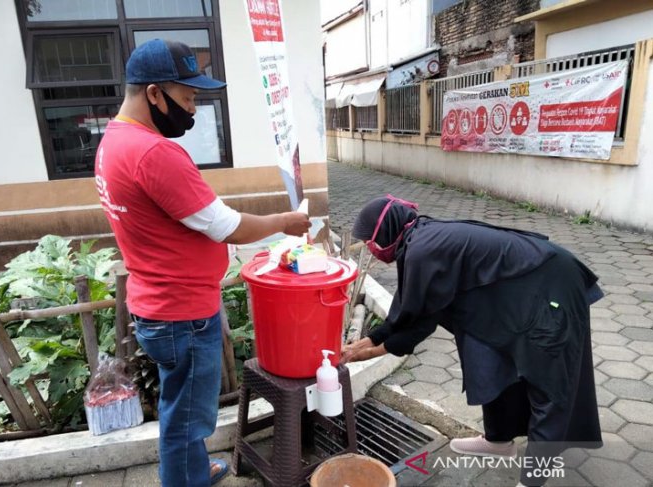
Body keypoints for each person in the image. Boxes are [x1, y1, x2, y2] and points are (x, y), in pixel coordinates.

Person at [94, 39, 310, 487]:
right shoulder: (154, 153)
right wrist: (286, 221)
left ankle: (192, 471)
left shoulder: (114, 142)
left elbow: (187, 215)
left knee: (182, 407)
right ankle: (184, 479)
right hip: (183, 314)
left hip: (157, 305)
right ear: (154, 93)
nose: (193, 110)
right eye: (188, 97)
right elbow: (224, 225)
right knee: (187, 418)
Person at [341, 195, 603, 487]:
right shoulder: (418, 239)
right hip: (514, 297)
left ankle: (533, 481)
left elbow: (415, 317)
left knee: (548, 386)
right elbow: (420, 309)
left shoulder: (422, 249)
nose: (370, 248)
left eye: (369, 241)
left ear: (386, 230)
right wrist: (372, 341)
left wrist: (378, 347)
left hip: (552, 287)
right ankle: (498, 441)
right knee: (495, 363)